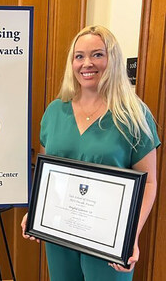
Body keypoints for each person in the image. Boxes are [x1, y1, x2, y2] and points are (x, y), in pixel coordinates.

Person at [21, 25, 160, 281]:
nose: (87, 63)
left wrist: (131, 236)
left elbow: (149, 182)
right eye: (79, 56)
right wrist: (37, 211)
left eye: (97, 54)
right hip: (60, 232)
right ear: (71, 63)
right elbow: (46, 171)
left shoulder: (134, 115)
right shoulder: (55, 111)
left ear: (112, 60)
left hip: (109, 240)